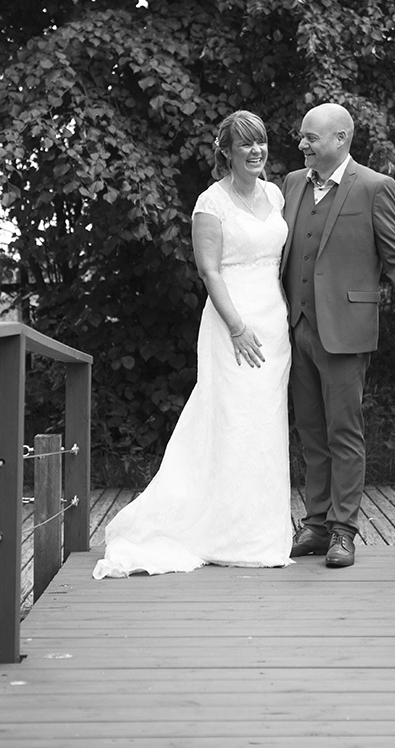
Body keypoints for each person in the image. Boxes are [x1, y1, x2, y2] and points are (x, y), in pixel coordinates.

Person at [93, 110, 293, 579]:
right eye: (244, 144)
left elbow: (278, 263)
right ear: (226, 152)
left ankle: (262, 534)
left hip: (273, 321)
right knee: (233, 419)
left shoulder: (276, 194)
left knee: (265, 425)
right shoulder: (211, 202)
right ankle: (222, 532)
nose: (255, 151)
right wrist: (238, 327)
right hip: (232, 324)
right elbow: (210, 271)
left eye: (260, 141)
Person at [282, 102, 395, 568]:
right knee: (311, 433)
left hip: (346, 331)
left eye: (310, 138)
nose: (301, 145)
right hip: (294, 329)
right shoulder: (293, 184)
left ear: (340, 139)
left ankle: (344, 529)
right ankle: (315, 524)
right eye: (301, 137)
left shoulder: (376, 188)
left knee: (344, 433)